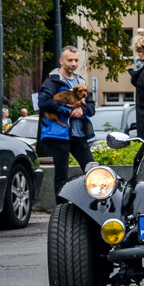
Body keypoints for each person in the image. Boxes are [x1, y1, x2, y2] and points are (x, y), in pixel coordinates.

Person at [38, 45, 96, 202]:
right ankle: (62, 211)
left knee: (93, 170)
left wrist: (82, 111)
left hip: (78, 134)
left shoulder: (80, 81)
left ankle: (95, 207)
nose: (74, 63)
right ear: (61, 61)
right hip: (59, 134)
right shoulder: (52, 81)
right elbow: (43, 103)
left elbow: (91, 106)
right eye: (70, 60)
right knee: (61, 174)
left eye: (76, 60)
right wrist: (66, 109)